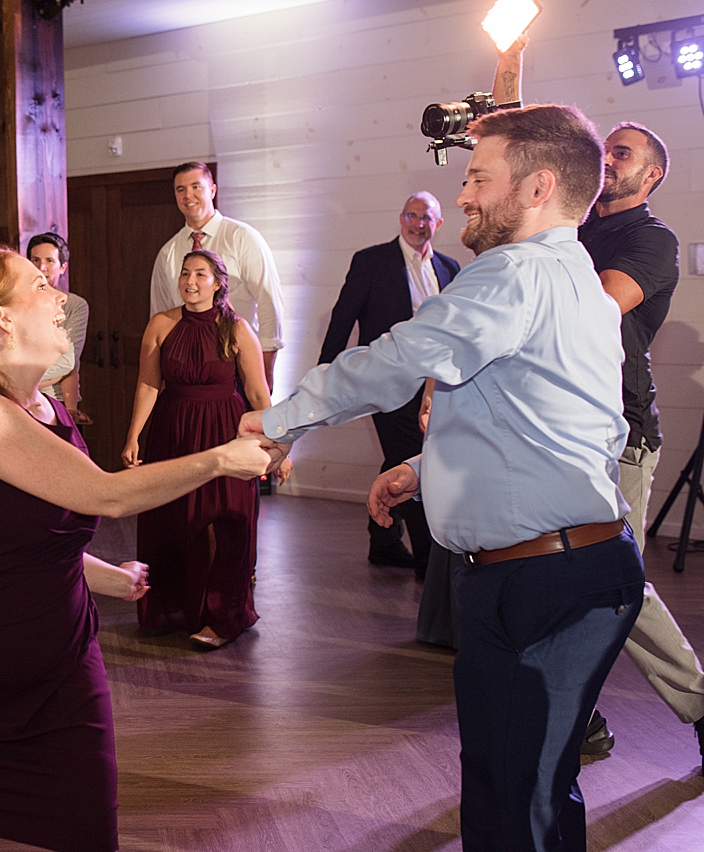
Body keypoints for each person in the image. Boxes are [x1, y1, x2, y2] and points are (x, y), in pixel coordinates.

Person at [247, 104, 644, 852]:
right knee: (509, 781)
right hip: (541, 570)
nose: (463, 195)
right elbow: (551, 423)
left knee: (518, 801)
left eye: (477, 176)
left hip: (548, 582)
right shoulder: (573, 279)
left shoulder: (517, 272)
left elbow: (398, 356)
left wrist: (279, 420)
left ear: (537, 188)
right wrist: (426, 470)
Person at [0, 248, 280, 852]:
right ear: (1, 319)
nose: (60, 296)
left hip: (60, 655)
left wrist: (107, 578)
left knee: (86, 827)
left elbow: (23, 539)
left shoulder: (47, 407)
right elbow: (106, 496)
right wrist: (221, 458)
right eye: (40, 286)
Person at [576, 121, 704, 769]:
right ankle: (582, 716)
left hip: (622, 432)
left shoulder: (653, 239)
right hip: (563, 427)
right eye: (605, 148)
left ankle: (700, 702)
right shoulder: (572, 228)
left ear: (651, 175)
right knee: (548, 574)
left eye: (620, 152)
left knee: (617, 582)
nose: (607, 158)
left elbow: (596, 304)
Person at [122, 250, 278, 649]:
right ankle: (173, 608)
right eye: (185, 274)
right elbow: (148, 384)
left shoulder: (237, 328)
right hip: (173, 431)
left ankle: (222, 618)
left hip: (224, 431)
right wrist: (133, 435)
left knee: (220, 523)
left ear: (217, 282)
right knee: (173, 520)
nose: (190, 281)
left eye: (200, 274)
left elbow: (259, 391)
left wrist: (280, 444)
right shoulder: (161, 324)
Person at [319, 193, 460, 576]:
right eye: (410, 216)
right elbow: (343, 317)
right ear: (400, 219)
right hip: (387, 381)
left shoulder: (450, 268)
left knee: (406, 456)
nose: (417, 224)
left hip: (438, 384)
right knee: (411, 455)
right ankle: (431, 561)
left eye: (425, 218)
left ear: (438, 224)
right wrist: (325, 374)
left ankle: (382, 540)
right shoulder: (371, 261)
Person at [149, 161, 285, 388]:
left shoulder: (242, 237)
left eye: (196, 186)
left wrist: (265, 364)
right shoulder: (168, 252)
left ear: (212, 190)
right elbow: (161, 314)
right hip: (185, 367)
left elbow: (269, 301)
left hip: (237, 360)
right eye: (180, 189)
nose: (188, 195)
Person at [27, 232, 89, 420]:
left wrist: (19, 379)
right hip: (19, 400)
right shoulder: (18, 303)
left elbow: (65, 363)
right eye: (35, 260)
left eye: (49, 261)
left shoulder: (73, 305)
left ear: (63, 267)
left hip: (57, 401)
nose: (41, 268)